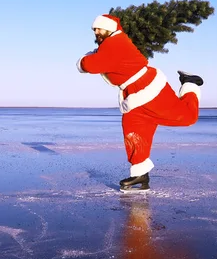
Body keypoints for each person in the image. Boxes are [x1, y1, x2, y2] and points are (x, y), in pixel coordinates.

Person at [76, 14, 203, 191]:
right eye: (94, 29)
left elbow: (90, 65)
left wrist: (84, 59)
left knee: (187, 117)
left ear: (110, 28)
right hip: (133, 95)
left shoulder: (116, 42)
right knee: (133, 131)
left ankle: (191, 83)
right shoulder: (108, 44)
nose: (96, 32)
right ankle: (140, 174)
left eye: (99, 28)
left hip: (149, 89)